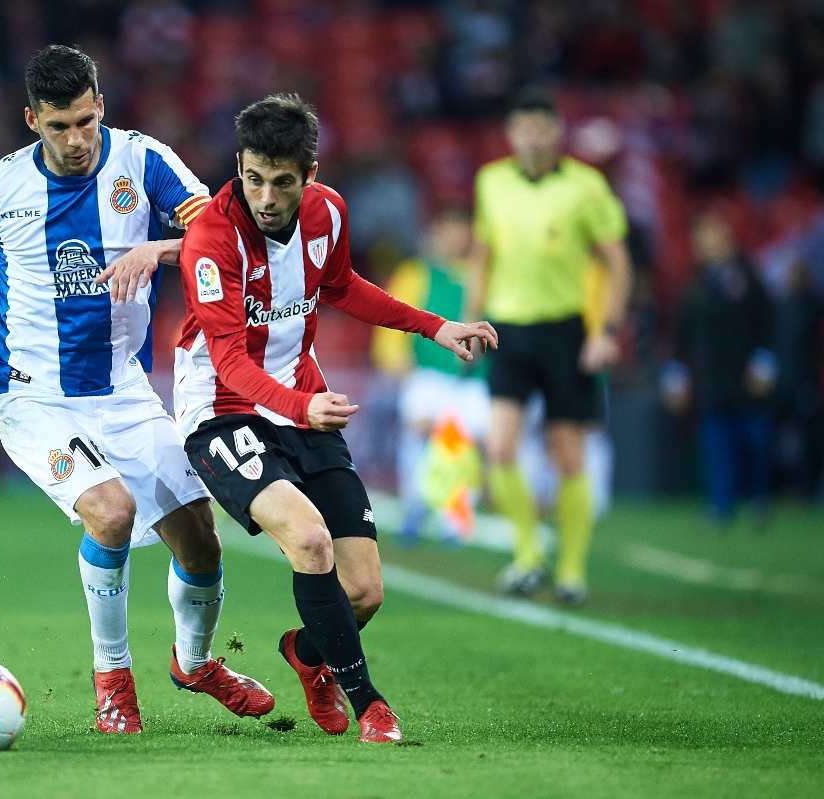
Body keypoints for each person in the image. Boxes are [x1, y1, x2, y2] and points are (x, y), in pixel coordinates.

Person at [0, 45, 273, 735]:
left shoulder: (144, 161)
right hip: (34, 397)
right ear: (32, 120)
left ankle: (194, 663)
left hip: (124, 391)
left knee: (202, 541)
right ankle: (113, 681)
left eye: (86, 121)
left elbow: (224, 237)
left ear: (101, 105)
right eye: (58, 126)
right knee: (111, 511)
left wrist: (158, 249)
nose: (76, 140)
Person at [169, 94, 496, 742]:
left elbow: (342, 285)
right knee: (311, 540)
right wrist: (302, 405)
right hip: (223, 411)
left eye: (282, 181)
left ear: (309, 175)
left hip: (301, 403)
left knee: (365, 592)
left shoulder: (329, 212)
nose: (265, 197)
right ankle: (371, 703)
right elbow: (229, 361)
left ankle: (307, 652)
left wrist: (435, 326)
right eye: (253, 178)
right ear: (239, 165)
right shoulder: (211, 240)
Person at [466, 87, 633, 606]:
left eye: (541, 128)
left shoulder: (586, 186)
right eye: (524, 128)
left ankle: (572, 571)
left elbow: (618, 262)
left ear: (557, 132)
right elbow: (483, 254)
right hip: (508, 329)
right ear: (511, 134)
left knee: (568, 453)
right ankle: (528, 554)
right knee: (499, 447)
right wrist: (469, 320)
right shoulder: (491, 181)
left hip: (565, 330)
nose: (533, 138)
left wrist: (606, 331)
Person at [371, 208, 490, 543]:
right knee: (420, 434)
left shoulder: (481, 276)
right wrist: (395, 360)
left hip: (472, 380)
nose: (455, 238)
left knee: (462, 445)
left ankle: (456, 517)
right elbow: (391, 317)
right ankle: (416, 505)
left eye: (461, 230)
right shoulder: (417, 274)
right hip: (427, 374)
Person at [662, 212, 776, 528]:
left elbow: (766, 321)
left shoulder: (747, 275)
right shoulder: (695, 283)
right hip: (710, 379)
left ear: (725, 236)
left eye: (708, 235)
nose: (702, 244)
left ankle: (759, 500)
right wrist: (675, 375)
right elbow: (682, 335)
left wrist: (765, 363)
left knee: (754, 441)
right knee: (715, 444)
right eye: (699, 238)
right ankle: (720, 505)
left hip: (746, 377)